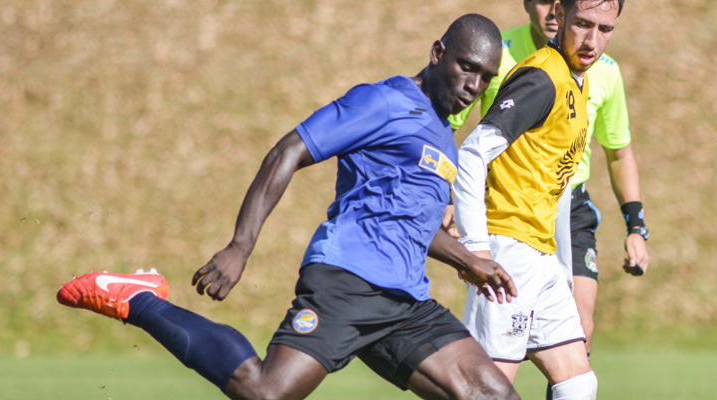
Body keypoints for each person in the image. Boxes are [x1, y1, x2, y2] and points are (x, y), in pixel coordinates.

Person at [57, 14, 522, 400]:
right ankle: (137, 299)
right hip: (349, 282)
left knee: (493, 396)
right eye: (467, 68)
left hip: (404, 301)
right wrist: (240, 246)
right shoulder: (384, 100)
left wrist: (469, 261)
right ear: (438, 53)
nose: (473, 85)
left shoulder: (443, 133)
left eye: (484, 77)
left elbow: (414, 223)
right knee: (264, 391)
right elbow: (289, 151)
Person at [449, 0, 649, 365]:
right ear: (559, 12)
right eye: (583, 24)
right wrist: (462, 218)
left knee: (578, 364)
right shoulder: (512, 59)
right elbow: (465, 141)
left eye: (605, 29)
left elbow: (619, 152)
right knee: (493, 378)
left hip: (559, 213)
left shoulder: (590, 74)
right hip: (509, 221)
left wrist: (636, 225)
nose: (592, 39)